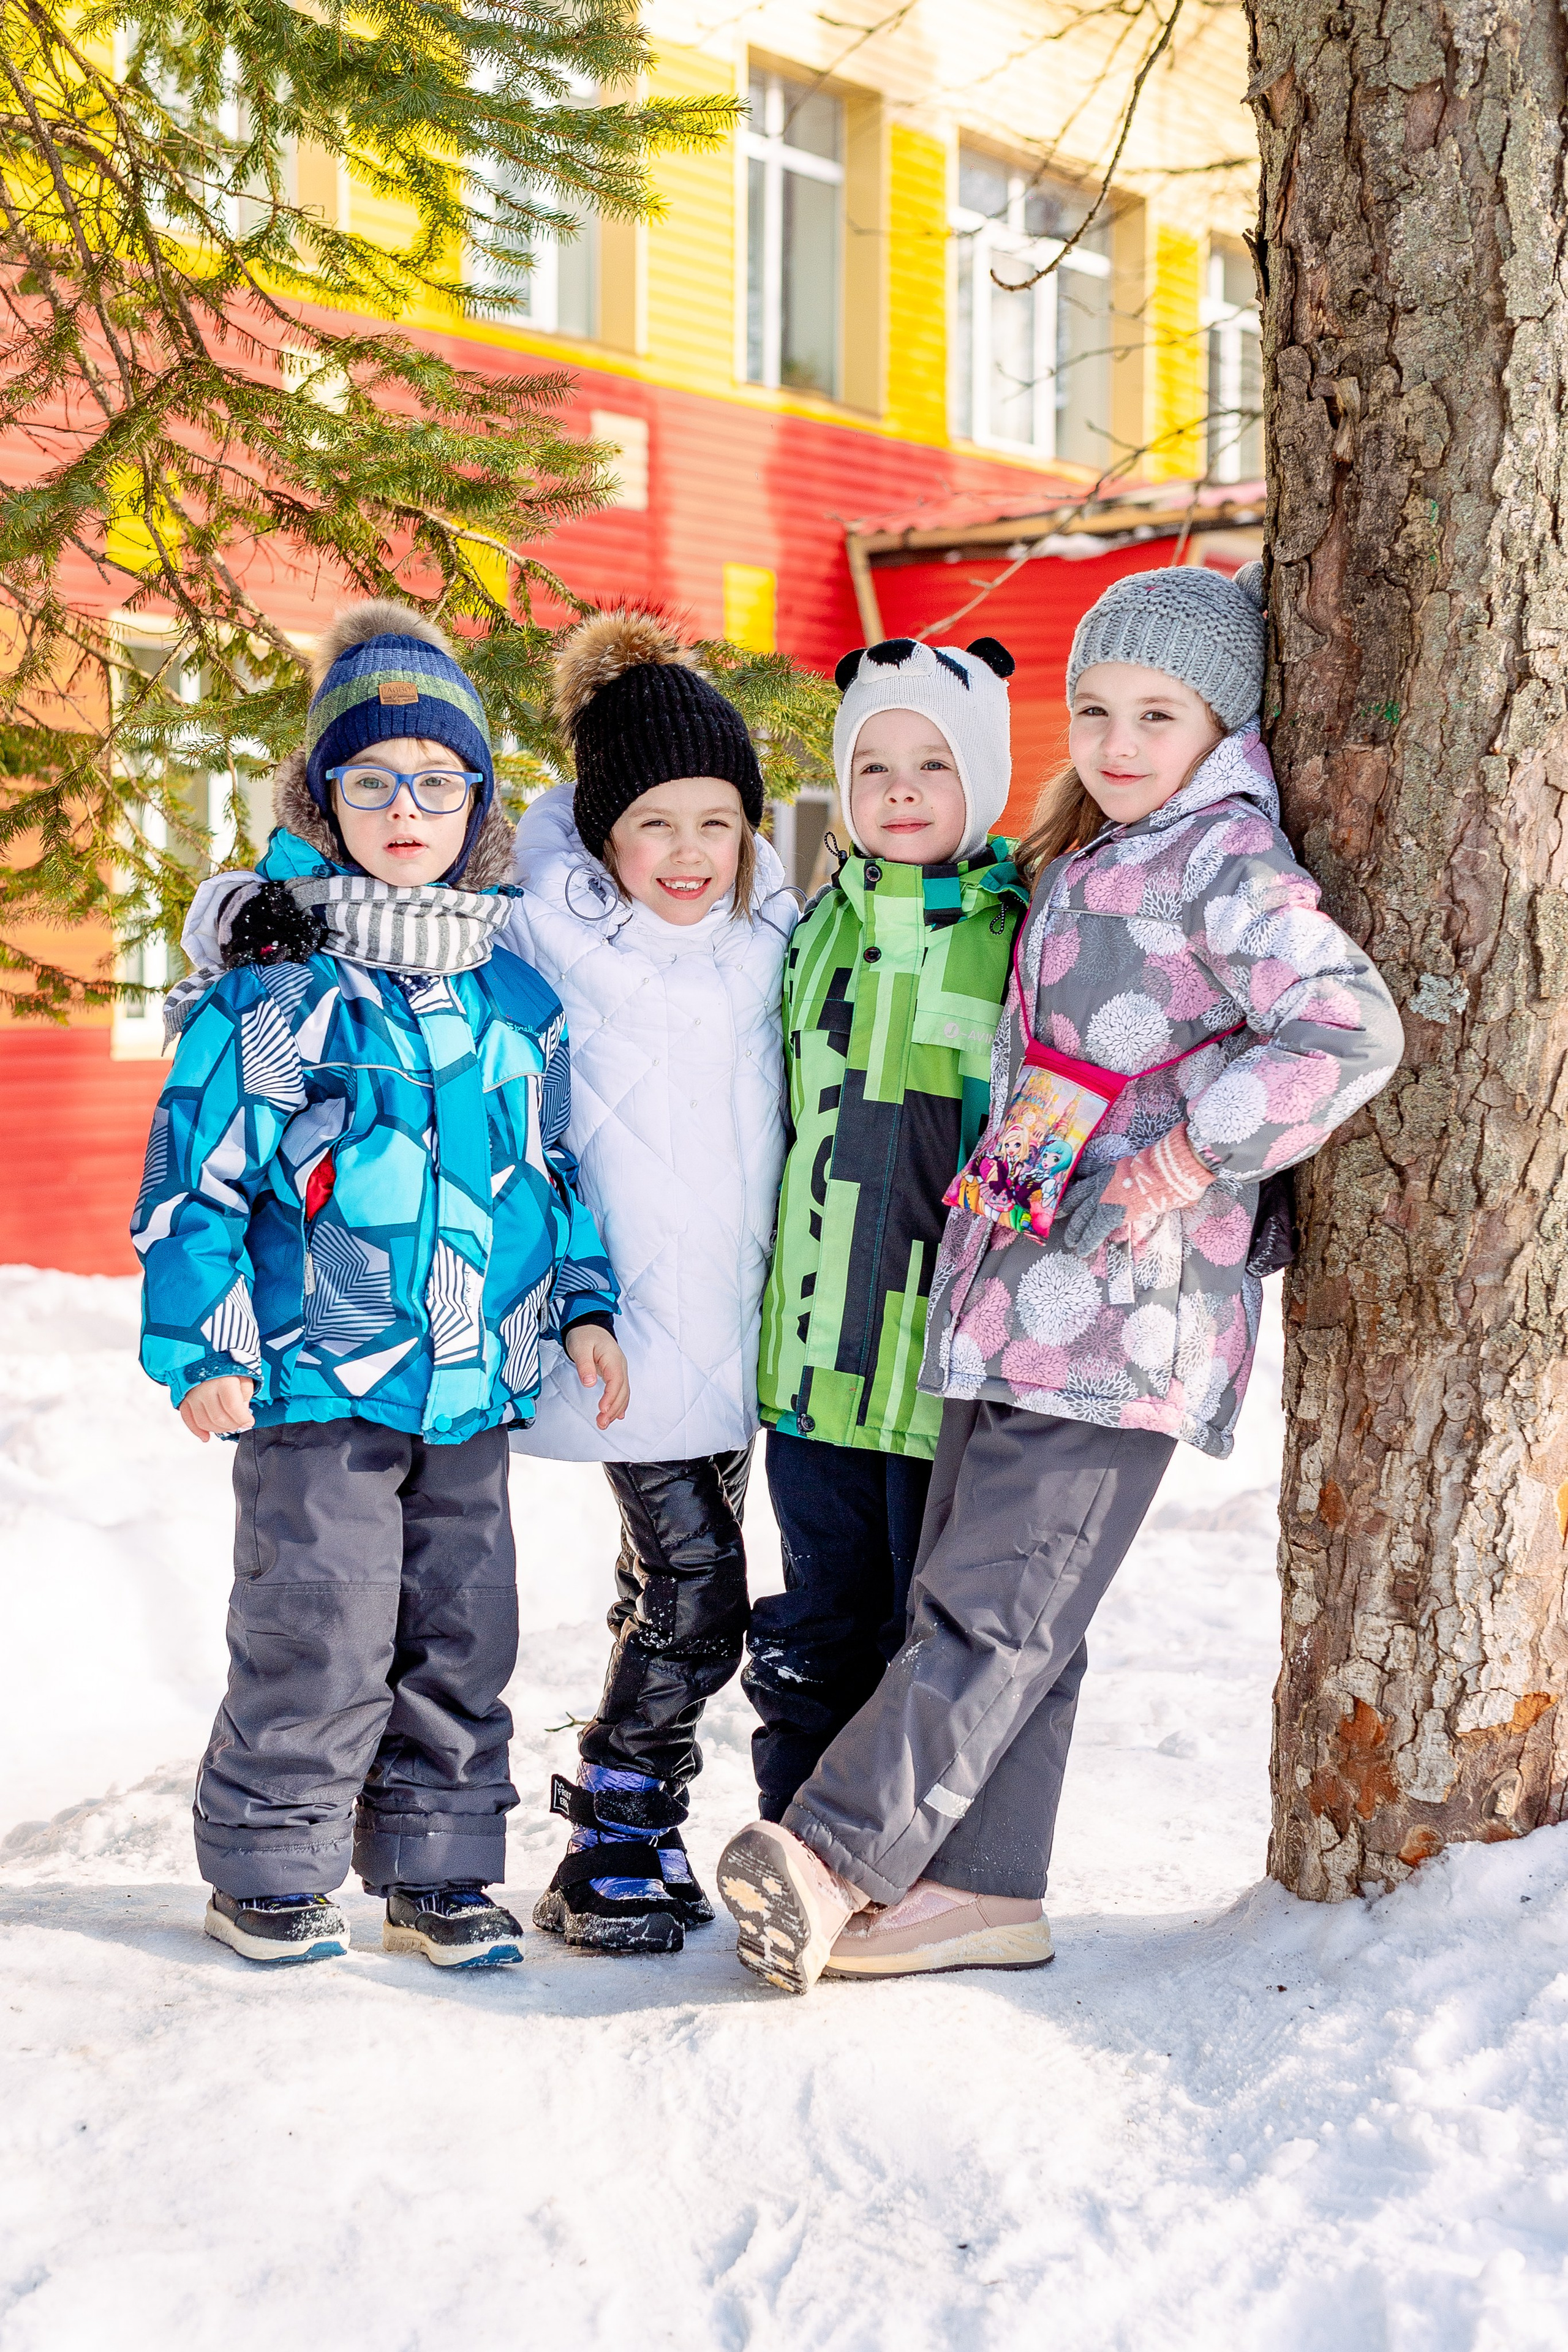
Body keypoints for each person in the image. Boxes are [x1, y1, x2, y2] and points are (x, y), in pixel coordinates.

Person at [716, 562, 1405, 1992]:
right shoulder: (1092, 854)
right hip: (1010, 1293)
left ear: (1223, 727)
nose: (1114, 741)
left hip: (1126, 1311)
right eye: (1092, 708)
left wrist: (1188, 1159)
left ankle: (836, 1855)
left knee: (995, 1609)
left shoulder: (1227, 864)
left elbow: (1344, 1028)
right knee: (998, 1609)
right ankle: (982, 1891)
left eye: (1156, 713)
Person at [134, 599, 624, 1970]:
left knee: (464, 1632)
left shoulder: (515, 998)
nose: (403, 808)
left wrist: (581, 1302)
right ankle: (271, 1866)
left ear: (475, 802)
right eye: (369, 781)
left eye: (435, 780)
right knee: (320, 1623)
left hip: (470, 1386)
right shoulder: (277, 991)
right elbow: (197, 1177)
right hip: (311, 1379)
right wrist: (201, 1342)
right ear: (324, 796)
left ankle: (437, 1868)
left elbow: (556, 1170)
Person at [509, 611, 797, 1954]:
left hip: (734, 1321)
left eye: (715, 824)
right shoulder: (534, 934)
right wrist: (240, 914)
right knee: (700, 1596)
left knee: (658, 1583)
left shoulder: (774, 935)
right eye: (655, 826)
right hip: (613, 1318)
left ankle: (645, 1832)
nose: (687, 857)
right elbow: (368, 910)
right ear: (601, 830)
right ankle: (606, 1834)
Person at [743, 635, 1029, 1817]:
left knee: (933, 1626)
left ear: (987, 784)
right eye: (873, 768)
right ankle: (792, 1840)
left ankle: (912, 1857)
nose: (901, 791)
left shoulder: (1020, 935)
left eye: (934, 765)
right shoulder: (805, 930)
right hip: (813, 1364)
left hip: (943, 1368)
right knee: (815, 1620)